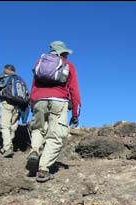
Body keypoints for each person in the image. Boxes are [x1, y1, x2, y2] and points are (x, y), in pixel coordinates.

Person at [27, 40, 81, 182]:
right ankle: (43, 169)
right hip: (59, 100)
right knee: (56, 136)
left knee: (38, 128)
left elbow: (33, 86)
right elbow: (74, 90)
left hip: (39, 100)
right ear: (63, 52)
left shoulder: (39, 63)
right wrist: (75, 113)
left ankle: (35, 150)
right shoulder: (69, 65)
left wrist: (32, 105)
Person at [0, 64, 30, 157]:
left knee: (5, 126)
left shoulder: (3, 77)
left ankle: (7, 148)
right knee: (13, 126)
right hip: (17, 106)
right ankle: (9, 145)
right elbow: (27, 95)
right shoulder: (20, 80)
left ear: (6, 70)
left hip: (6, 103)